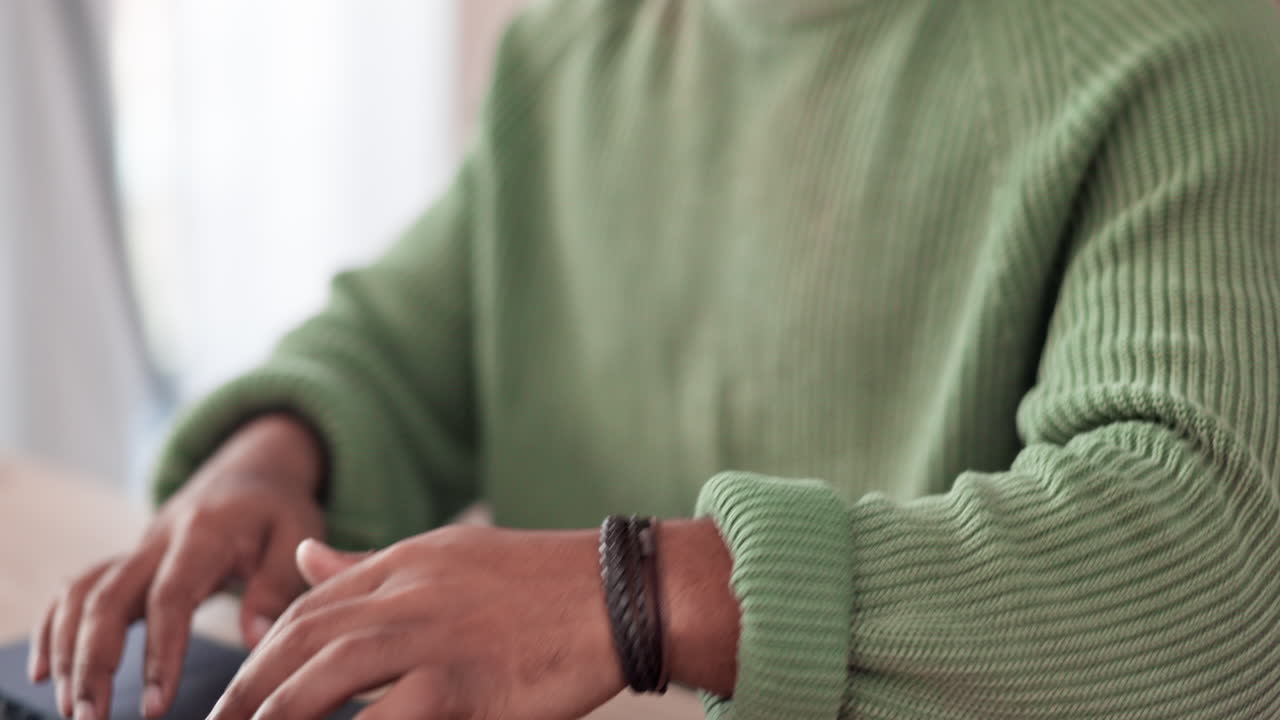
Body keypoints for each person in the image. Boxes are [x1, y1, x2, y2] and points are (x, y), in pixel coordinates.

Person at [27, 0, 1280, 718]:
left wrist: (630, 594)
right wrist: (265, 463)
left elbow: (1213, 580)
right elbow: (406, 337)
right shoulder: (575, 47)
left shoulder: (1188, 49)